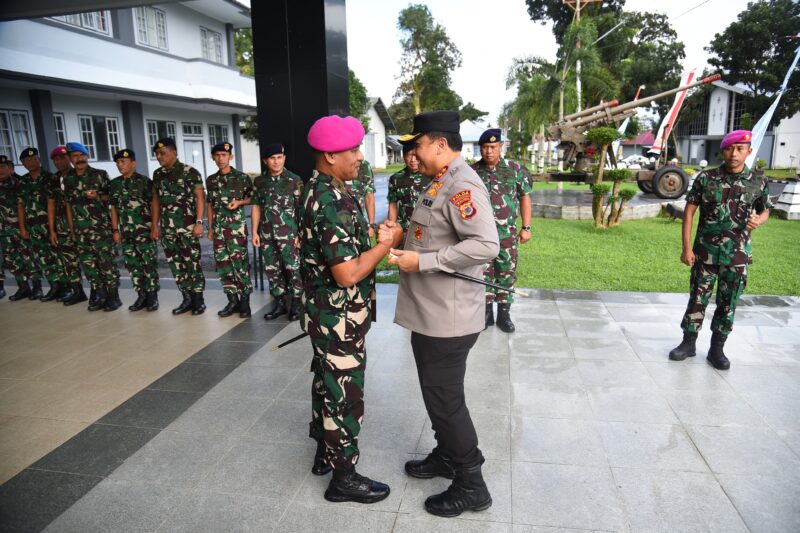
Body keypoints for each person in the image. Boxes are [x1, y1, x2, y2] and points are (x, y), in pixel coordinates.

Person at [389, 110, 499, 517]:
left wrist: (424, 261)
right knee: (438, 395)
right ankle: (447, 454)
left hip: (447, 319)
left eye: (417, 144)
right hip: (431, 313)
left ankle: (472, 484)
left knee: (446, 401)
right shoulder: (440, 179)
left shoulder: (461, 184)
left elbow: (486, 245)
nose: (413, 153)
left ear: (439, 143)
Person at [300, 115, 402, 504]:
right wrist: (386, 244)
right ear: (330, 155)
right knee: (344, 393)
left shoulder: (324, 188)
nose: (361, 156)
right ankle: (343, 475)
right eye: (354, 150)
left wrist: (371, 237)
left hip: (326, 313)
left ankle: (323, 454)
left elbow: (343, 247)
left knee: (325, 383)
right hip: (338, 317)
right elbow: (347, 274)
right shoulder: (329, 200)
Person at [669, 129, 772, 370]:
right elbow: (689, 212)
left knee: (728, 303)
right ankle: (688, 343)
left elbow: (765, 209)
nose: (734, 154)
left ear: (748, 151)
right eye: (729, 149)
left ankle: (717, 349)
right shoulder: (707, 178)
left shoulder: (758, 181)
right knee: (697, 298)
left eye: (739, 149)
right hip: (704, 253)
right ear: (722, 151)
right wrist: (686, 248)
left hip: (737, 255)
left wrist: (759, 220)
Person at [471, 128, 533, 333]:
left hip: (506, 233)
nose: (489, 151)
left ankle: (504, 315)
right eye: (485, 147)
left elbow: (525, 197)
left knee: (506, 271)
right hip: (479, 235)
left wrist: (526, 227)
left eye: (493, 147)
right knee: (482, 272)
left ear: (501, 146)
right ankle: (486, 313)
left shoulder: (515, 170)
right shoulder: (471, 172)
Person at [62, 142, 122, 311]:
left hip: (100, 230)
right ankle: (100, 296)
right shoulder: (68, 179)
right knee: (89, 265)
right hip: (80, 232)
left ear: (87, 156)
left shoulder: (99, 174)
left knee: (106, 264)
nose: (79, 159)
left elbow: (112, 198)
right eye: (75, 156)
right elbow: (68, 206)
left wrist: (98, 196)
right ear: (70, 159)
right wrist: (72, 230)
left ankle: (114, 297)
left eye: (82, 155)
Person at [150, 137, 206, 315]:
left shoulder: (190, 172)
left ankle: (198, 300)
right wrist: (155, 226)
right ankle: (186, 298)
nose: (159, 157)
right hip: (168, 229)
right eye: (157, 154)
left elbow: (200, 198)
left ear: (174, 152)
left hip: (187, 227)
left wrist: (199, 222)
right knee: (176, 264)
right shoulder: (157, 174)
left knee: (192, 263)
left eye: (163, 153)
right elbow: (156, 201)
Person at [251, 143, 303, 320]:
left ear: (284, 158)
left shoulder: (294, 180)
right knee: (272, 269)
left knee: (292, 268)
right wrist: (255, 232)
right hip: (267, 234)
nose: (276, 161)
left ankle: (296, 304)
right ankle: (279, 304)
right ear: (265, 161)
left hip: (289, 235)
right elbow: (256, 206)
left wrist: (300, 234)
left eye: (279, 157)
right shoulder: (260, 182)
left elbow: (301, 209)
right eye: (272, 158)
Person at [206, 142, 253, 318]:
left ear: (230, 157)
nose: (221, 158)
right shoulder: (211, 180)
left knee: (240, 265)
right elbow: (210, 205)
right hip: (219, 230)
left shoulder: (242, 178)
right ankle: (232, 301)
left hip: (236, 231)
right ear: (213, 158)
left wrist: (240, 202)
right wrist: (210, 228)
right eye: (217, 155)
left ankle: (245, 302)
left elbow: (253, 198)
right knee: (223, 266)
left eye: (224, 155)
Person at [109, 149, 160, 312]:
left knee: (148, 264)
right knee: (132, 265)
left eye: (123, 162)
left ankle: (152, 297)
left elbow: (154, 204)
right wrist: (115, 230)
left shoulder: (145, 182)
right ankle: (141, 296)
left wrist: (154, 226)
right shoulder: (114, 184)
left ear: (133, 163)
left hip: (144, 232)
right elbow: (114, 208)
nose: (120, 165)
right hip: (126, 233)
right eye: (117, 163)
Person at [48, 146, 86, 305]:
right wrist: (52, 230)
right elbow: (51, 204)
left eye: (63, 158)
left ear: (69, 158)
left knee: (91, 260)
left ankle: (100, 293)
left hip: (84, 226)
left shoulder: (80, 174)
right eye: (56, 159)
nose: (59, 162)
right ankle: (77, 291)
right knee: (68, 261)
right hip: (63, 227)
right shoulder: (54, 179)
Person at [16, 147, 56, 301]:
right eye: (27, 160)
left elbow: (54, 204)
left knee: (56, 257)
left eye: (34, 159)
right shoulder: (22, 182)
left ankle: (64, 288)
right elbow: (20, 205)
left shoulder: (50, 178)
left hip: (50, 226)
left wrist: (53, 229)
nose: (31, 162)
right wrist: (22, 228)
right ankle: (53, 287)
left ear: (39, 159)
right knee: (42, 258)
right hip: (33, 227)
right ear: (23, 163)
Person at [0, 154, 35, 301]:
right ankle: (23, 287)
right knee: (12, 261)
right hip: (3, 232)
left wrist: (25, 228)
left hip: (20, 229)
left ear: (10, 168)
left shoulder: (20, 184)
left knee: (29, 258)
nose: (0, 170)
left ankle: (37, 287)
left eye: (3, 167)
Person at [387, 140, 429, 233]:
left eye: (416, 155)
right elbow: (392, 205)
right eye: (409, 155)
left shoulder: (431, 176)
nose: (413, 160)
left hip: (427, 230)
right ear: (404, 156)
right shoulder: (396, 178)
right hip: (404, 230)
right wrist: (391, 228)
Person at [349, 159, 376, 236]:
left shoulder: (364, 166)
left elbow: (369, 196)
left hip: (360, 226)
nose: (361, 156)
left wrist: (371, 225)